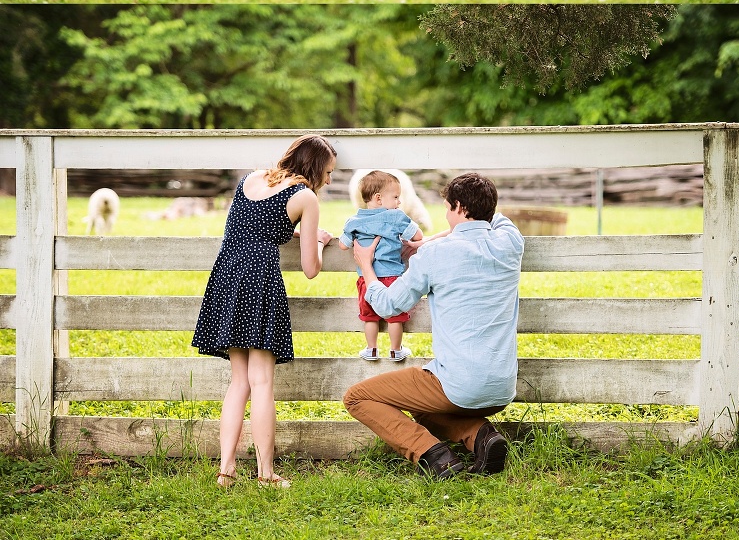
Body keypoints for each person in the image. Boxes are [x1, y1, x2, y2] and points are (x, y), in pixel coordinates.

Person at [343, 172, 524, 480]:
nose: (445, 213)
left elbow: (387, 305)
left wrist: (366, 268)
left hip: (458, 386)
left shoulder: (434, 256)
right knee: (424, 406)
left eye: (447, 207)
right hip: (502, 387)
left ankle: (433, 455)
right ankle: (481, 436)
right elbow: (492, 219)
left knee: (357, 397)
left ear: (458, 208)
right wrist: (429, 239)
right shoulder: (510, 242)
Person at [192, 134, 337, 488]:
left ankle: (226, 471)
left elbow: (247, 229)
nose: (330, 180)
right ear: (315, 169)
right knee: (262, 382)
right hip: (259, 281)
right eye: (329, 172)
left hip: (226, 275)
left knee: (238, 382)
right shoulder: (305, 197)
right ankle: (266, 474)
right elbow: (310, 269)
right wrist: (317, 240)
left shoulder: (250, 179)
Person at [339, 170, 423, 361]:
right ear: (379, 198)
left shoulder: (354, 221)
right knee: (394, 315)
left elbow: (343, 245)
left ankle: (372, 349)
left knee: (369, 316)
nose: (399, 202)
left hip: (366, 280)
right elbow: (417, 236)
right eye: (395, 197)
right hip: (392, 277)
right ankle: (395, 350)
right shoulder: (395, 217)